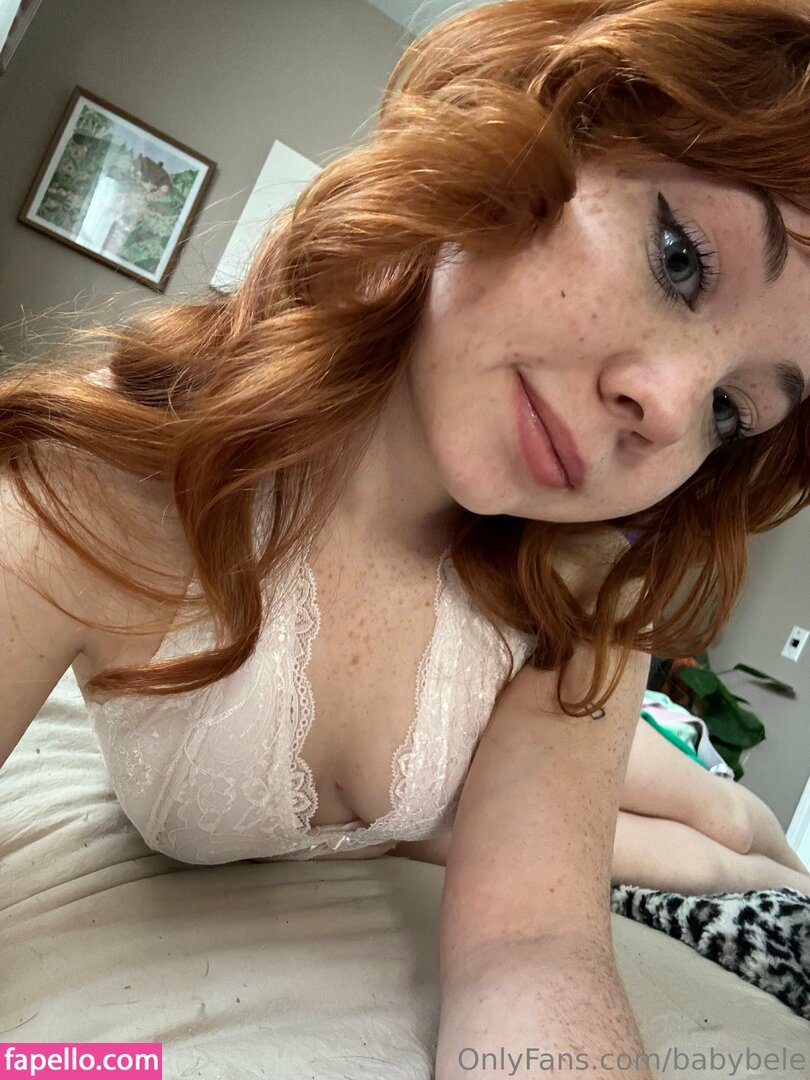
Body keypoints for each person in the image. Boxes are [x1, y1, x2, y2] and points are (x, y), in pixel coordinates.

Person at [2, 0, 810, 1075]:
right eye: (678, 258)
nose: (669, 411)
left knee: (732, 828)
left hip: (488, 781)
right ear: (517, 134)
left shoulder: (580, 587)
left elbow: (537, 949)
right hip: (448, 809)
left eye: (732, 411)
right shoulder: (94, 482)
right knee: (697, 853)